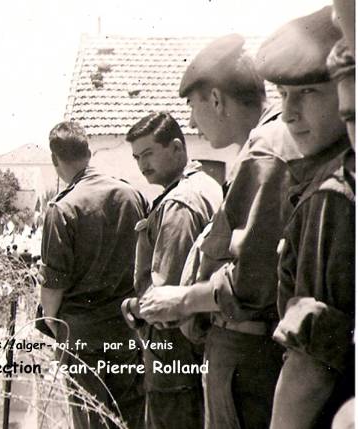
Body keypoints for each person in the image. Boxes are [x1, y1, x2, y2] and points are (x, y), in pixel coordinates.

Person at [137, 34, 302, 429]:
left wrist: (181, 301)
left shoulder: (264, 150)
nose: (192, 122)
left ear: (216, 99)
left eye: (193, 108)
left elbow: (252, 281)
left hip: (245, 353)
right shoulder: (267, 142)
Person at [254, 7, 354, 428]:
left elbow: (310, 366)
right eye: (283, 94)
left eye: (309, 92)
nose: (289, 113)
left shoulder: (331, 196)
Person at [40, 121, 146, 429]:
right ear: (89, 152)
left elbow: (53, 284)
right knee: (130, 420)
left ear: (55, 160)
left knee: (92, 421)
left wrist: (52, 323)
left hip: (82, 338)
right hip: (127, 331)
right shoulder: (131, 195)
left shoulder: (62, 208)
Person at [121, 111, 222, 428]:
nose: (142, 165)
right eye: (137, 157)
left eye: (148, 153)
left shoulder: (178, 202)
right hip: (197, 348)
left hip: (173, 354)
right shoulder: (205, 183)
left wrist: (133, 307)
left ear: (177, 147)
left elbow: (165, 299)